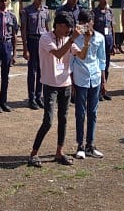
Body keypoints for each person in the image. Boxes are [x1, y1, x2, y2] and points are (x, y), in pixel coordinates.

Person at [27, 11, 80, 168]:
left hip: (65, 83)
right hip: (50, 84)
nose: (69, 30)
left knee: (63, 119)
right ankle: (34, 153)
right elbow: (58, 54)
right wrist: (72, 39)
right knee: (48, 121)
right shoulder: (46, 38)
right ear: (59, 25)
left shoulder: (67, 38)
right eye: (67, 27)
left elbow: (81, 55)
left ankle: (59, 151)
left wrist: (87, 41)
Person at [70, 10, 105, 160]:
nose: (84, 26)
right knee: (80, 113)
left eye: (87, 23)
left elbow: (102, 59)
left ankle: (90, 144)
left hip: (95, 78)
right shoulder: (75, 39)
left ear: (92, 22)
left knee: (93, 112)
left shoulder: (100, 38)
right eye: (82, 23)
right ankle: (80, 145)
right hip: (80, 78)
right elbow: (71, 61)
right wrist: (71, 81)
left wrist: (103, 80)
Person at [20, 0, 49, 109]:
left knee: (41, 70)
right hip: (32, 40)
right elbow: (23, 30)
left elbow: (47, 28)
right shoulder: (27, 11)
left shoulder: (45, 10)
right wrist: (25, 48)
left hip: (43, 41)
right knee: (32, 71)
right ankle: (31, 98)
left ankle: (38, 96)